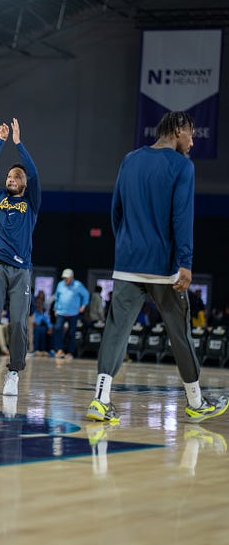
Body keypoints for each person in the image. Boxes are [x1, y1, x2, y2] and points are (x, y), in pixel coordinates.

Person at [86, 111, 228, 424]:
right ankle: (196, 401)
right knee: (180, 335)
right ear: (178, 130)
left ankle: (100, 400)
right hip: (164, 267)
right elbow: (182, 216)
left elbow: (116, 211)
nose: (192, 142)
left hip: (127, 262)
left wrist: (126, 244)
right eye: (190, 134)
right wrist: (185, 262)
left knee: (115, 333)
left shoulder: (130, 159)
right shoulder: (182, 166)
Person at [0, 117, 41, 397]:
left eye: (16, 177)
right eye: (9, 177)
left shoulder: (31, 203)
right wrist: (0, 141)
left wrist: (19, 144)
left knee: (17, 323)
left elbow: (36, 175)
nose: (11, 179)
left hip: (21, 270)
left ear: (24, 184)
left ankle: (14, 373)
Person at [51, 268, 89, 359]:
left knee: (72, 333)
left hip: (73, 313)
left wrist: (83, 306)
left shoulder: (78, 285)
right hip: (61, 312)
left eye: (67, 278)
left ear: (72, 277)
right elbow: (57, 297)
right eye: (64, 277)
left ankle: (70, 352)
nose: (66, 279)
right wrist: (55, 309)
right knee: (57, 330)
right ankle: (59, 350)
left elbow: (86, 294)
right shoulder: (60, 284)